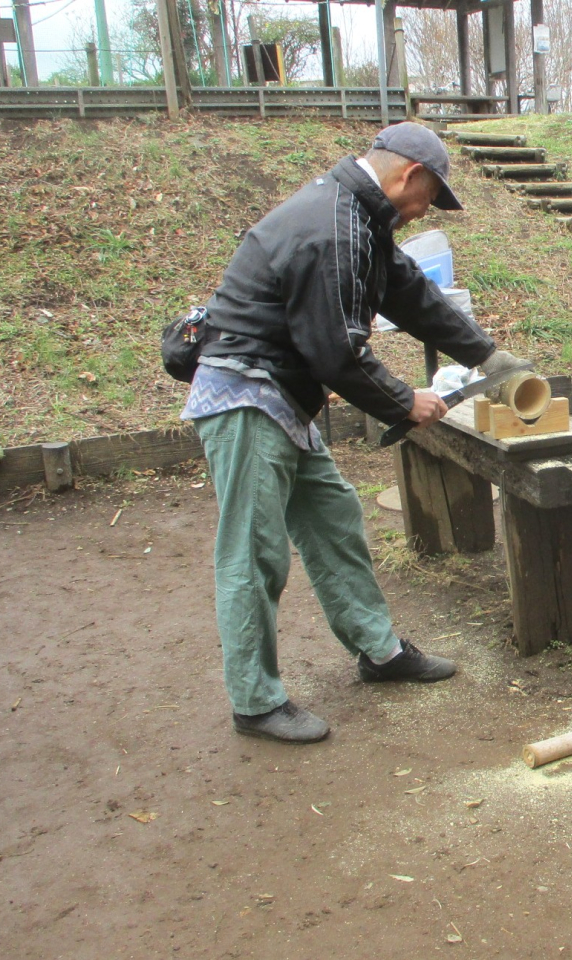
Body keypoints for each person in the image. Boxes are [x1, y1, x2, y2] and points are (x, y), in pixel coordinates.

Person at [181, 122, 526, 744]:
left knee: (333, 519)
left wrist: (486, 355)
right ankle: (255, 702)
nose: (425, 211)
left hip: (283, 396)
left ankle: (379, 651)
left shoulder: (359, 219)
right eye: (429, 197)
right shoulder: (333, 227)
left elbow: (410, 293)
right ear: (409, 175)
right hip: (246, 396)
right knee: (254, 549)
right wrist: (404, 401)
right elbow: (335, 350)